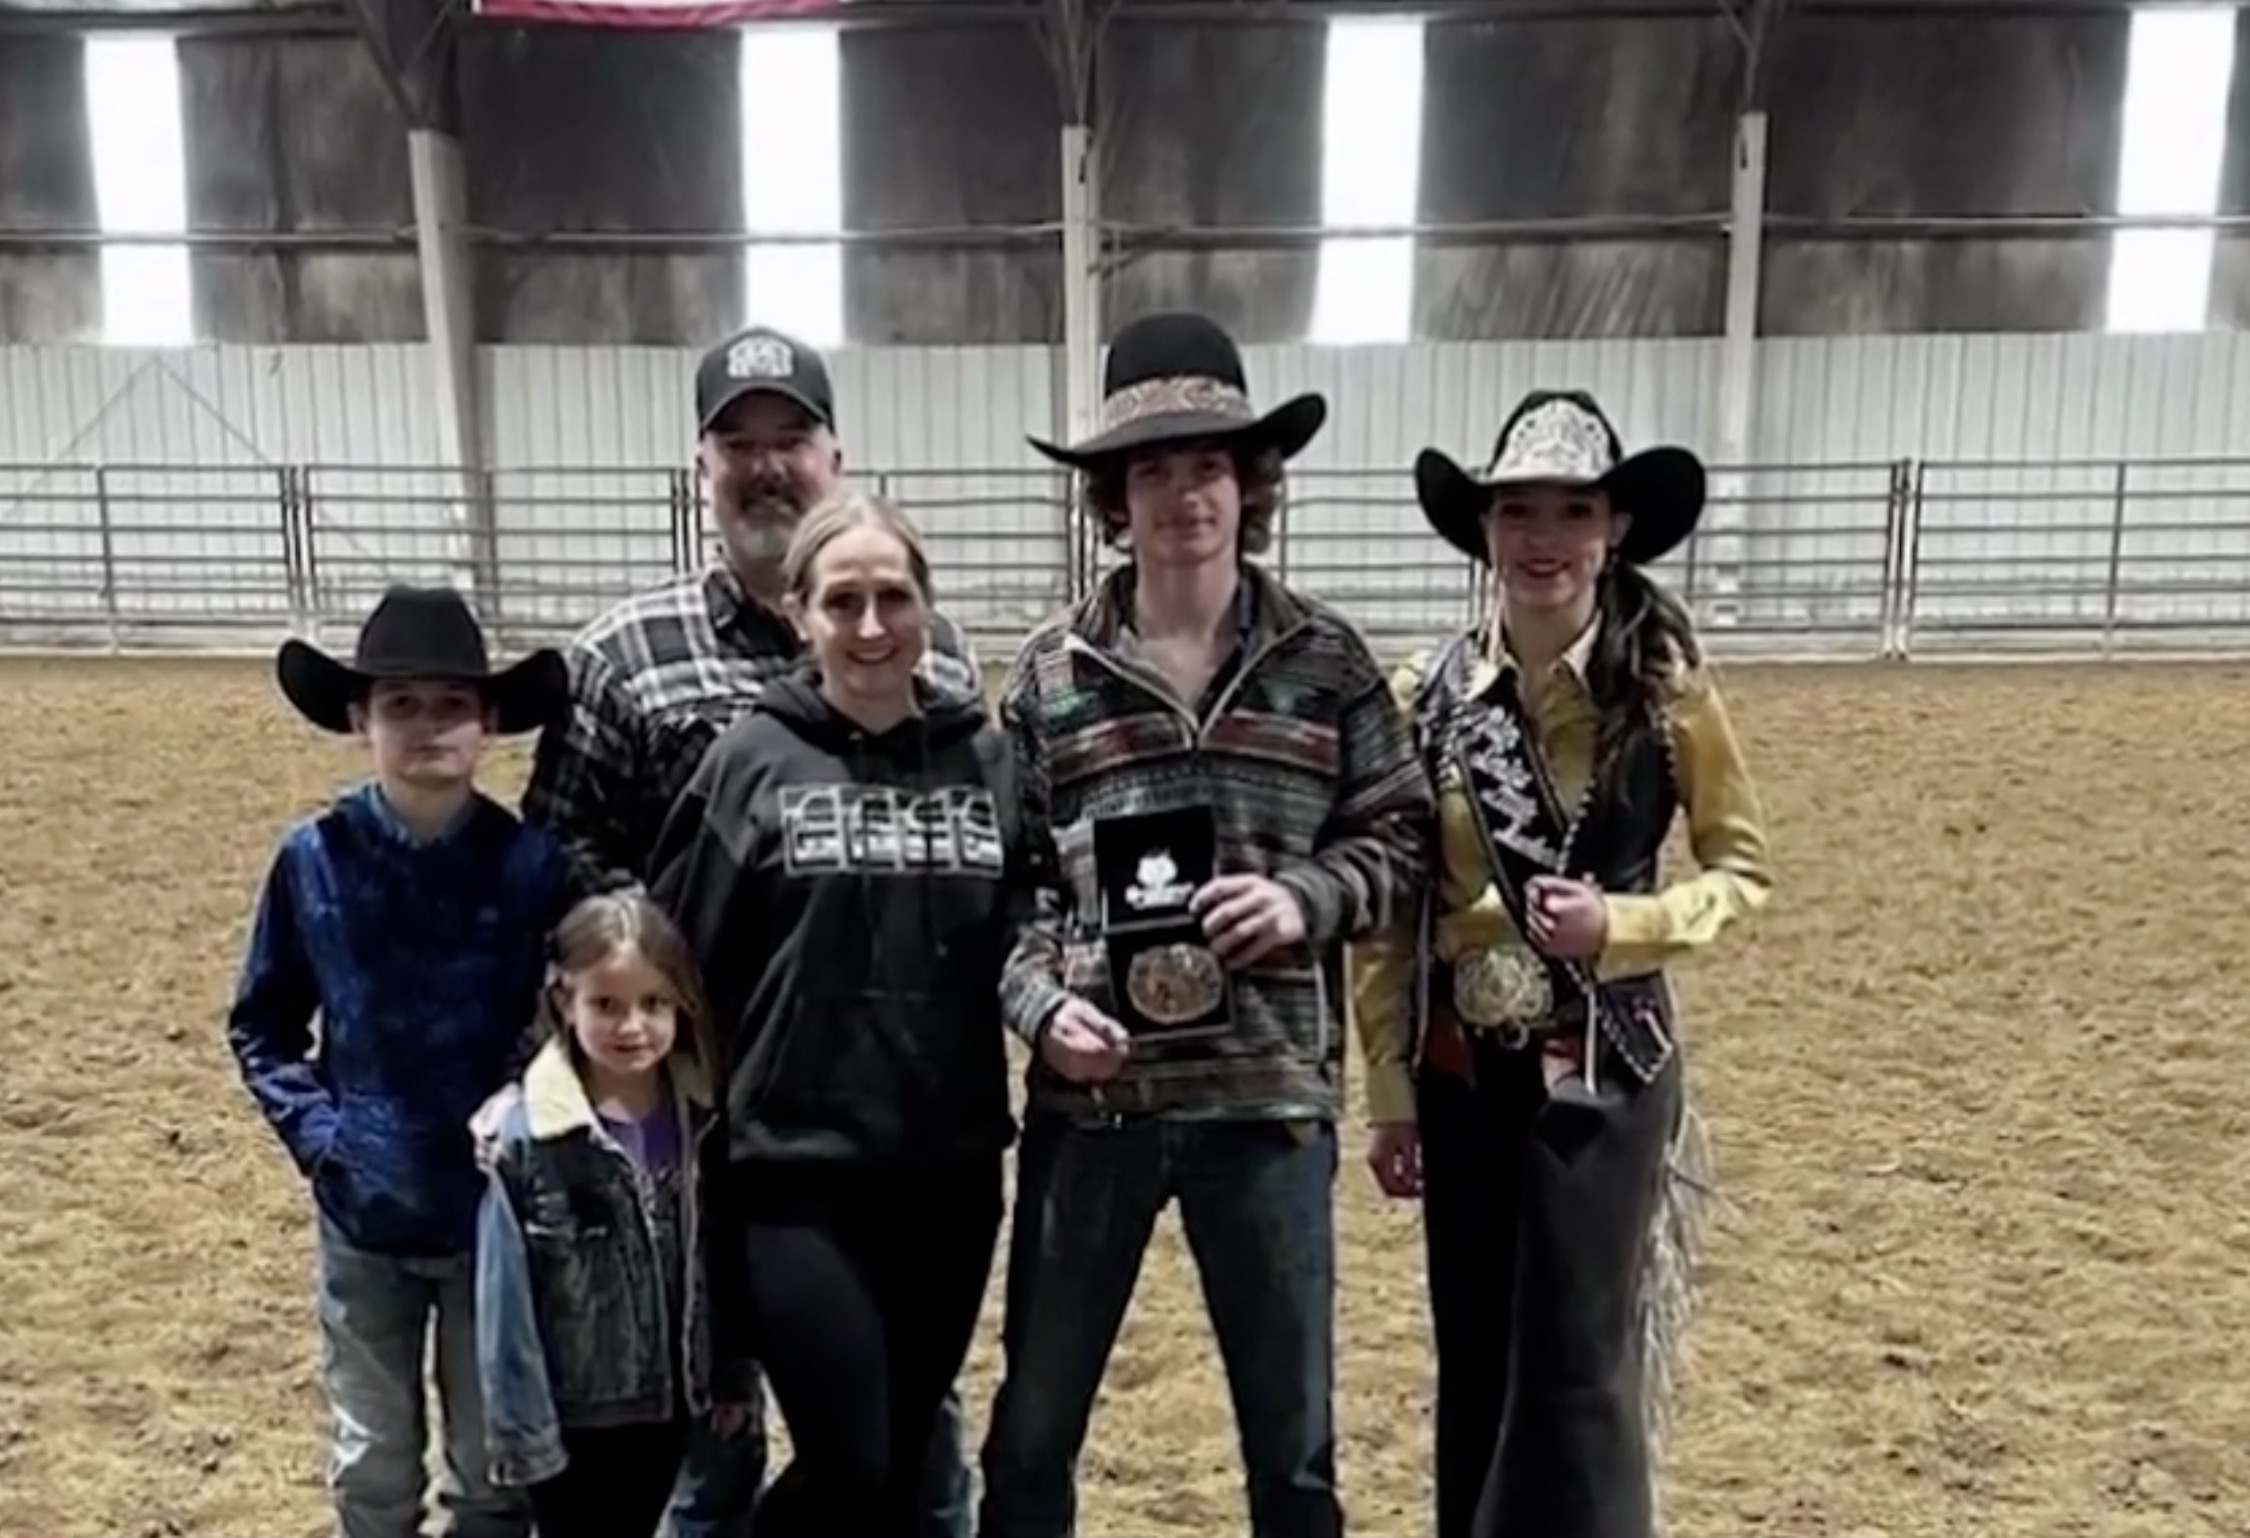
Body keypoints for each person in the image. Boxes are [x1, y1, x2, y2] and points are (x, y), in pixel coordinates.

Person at [512, 323, 980, 1538]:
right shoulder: (626, 656)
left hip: (905, 1125)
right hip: (707, 1122)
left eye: (792, 441)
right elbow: (566, 870)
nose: (767, 467)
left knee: (902, 1444)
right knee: (709, 1435)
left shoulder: (947, 672)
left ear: (835, 455)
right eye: (740, 444)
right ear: (702, 466)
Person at [978, 311, 1433, 1538]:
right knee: (1030, 1437)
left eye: (1210, 464)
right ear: (1114, 499)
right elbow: (1009, 889)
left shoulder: (1330, 664)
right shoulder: (1045, 676)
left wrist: (1304, 897)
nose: (1185, 492)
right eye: (1153, 468)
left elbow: (1402, 838)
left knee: (1293, 1454)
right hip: (1095, 1107)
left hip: (1269, 1109)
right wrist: (1041, 1006)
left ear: (1251, 483)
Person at [1347, 389, 1776, 1538]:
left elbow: (1740, 869)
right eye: (1517, 510)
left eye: (1573, 509)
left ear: (1615, 528)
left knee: (1580, 1364)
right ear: (1483, 530)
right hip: (1461, 1070)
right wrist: (1388, 1092)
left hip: (1611, 1067)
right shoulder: (1422, 697)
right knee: (1476, 1351)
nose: (1543, 537)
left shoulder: (1667, 686)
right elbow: (1392, 918)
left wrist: (1625, 925)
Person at [647, 492, 1022, 1538]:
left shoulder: (987, 763)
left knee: (903, 1465)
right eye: (843, 600)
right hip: (796, 1171)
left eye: (893, 597)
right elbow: (682, 965)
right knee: (848, 1465)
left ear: (926, 610)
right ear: (801, 614)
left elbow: (1033, 929)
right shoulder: (751, 761)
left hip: (949, 1170)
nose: (870, 626)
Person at [223, 584, 580, 1538]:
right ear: (359, 719)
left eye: (451, 705)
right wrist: (325, 1138)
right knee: (373, 1464)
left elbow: (563, 1024)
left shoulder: (535, 869)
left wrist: (523, 1106)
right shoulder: (313, 861)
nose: (429, 727)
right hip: (362, 1214)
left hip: (495, 1215)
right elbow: (263, 1022)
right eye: (402, 706)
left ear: (489, 721)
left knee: (491, 1468)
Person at [476, 891, 750, 1538]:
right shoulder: (526, 1141)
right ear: (564, 1002)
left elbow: (724, 1260)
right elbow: (504, 1303)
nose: (633, 1027)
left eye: (654, 1004)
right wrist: (526, 1435)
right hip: (573, 1420)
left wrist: (732, 1373)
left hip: (671, 1406)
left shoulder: (703, 1122)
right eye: (607, 1005)